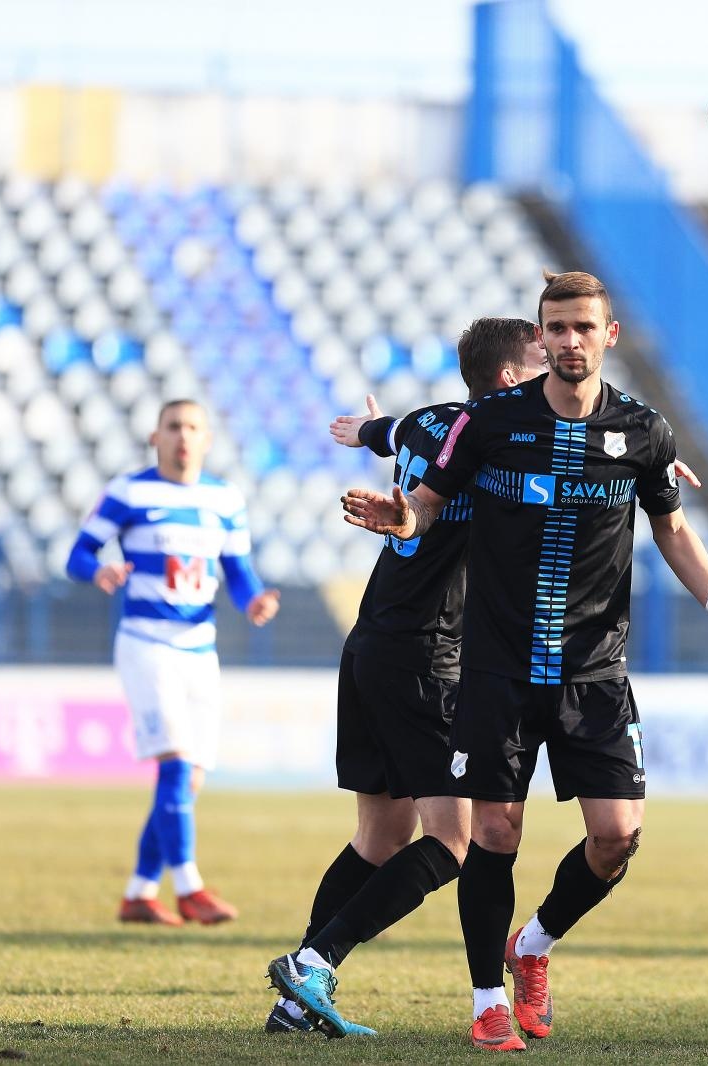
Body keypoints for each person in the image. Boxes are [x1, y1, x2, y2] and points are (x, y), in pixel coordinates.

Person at [339, 270, 708, 1053]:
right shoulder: (490, 421)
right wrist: (401, 514)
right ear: (538, 340)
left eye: (584, 328)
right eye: (557, 329)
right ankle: (484, 1001)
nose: (570, 341)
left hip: (595, 673)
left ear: (610, 336)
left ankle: (532, 946)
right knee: (495, 834)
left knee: (618, 835)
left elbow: (673, 530)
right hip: (496, 670)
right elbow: (430, 500)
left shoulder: (644, 432)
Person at [265, 317, 548, 1037]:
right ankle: (317, 960)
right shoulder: (500, 441)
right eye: (547, 358)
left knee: (380, 833)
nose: (564, 369)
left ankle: (297, 1001)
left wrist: (367, 428)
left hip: (373, 640)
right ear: (511, 379)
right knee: (453, 841)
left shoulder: (426, 422)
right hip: (426, 653)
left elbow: (385, 433)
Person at [65, 398, 280, 926]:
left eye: (192, 428)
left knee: (188, 781)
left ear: (207, 439)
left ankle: (139, 892)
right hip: (146, 643)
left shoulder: (224, 499)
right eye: (173, 427)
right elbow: (78, 554)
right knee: (176, 764)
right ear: (154, 436)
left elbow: (238, 571)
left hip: (198, 650)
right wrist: (100, 572)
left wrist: (253, 599)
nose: (183, 436)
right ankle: (189, 887)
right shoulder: (129, 492)